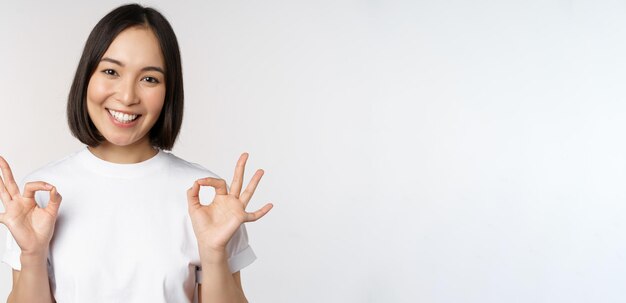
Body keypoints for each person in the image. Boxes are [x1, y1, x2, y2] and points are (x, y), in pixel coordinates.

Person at [0, 4, 273, 303]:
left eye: (149, 79)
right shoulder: (39, 194)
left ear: (169, 92)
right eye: (110, 71)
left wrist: (214, 254)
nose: (128, 96)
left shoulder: (207, 197)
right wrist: (32, 254)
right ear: (86, 77)